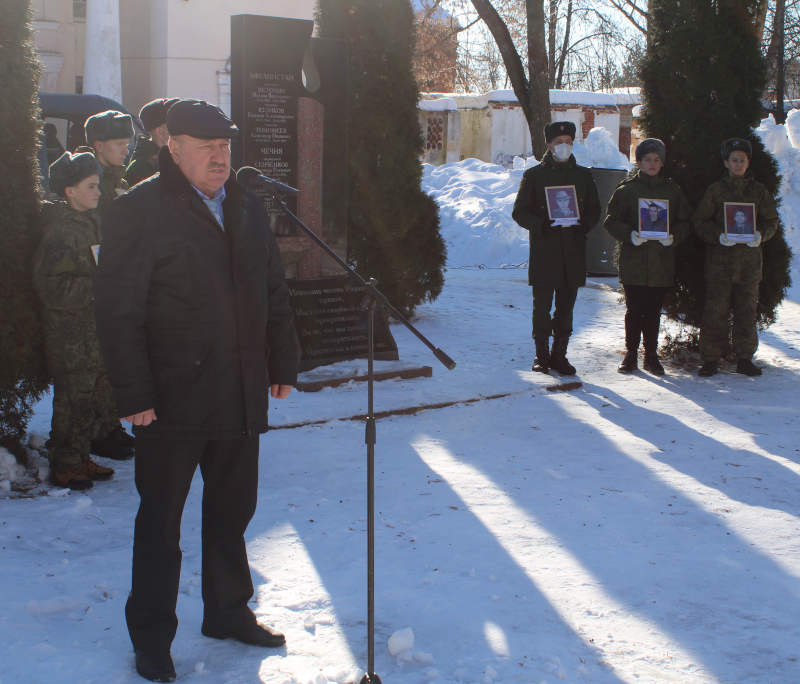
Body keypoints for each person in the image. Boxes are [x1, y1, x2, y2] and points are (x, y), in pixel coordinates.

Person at [93, 99, 301, 683]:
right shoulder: (139, 211)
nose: (220, 157)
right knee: (161, 522)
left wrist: (282, 360)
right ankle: (153, 636)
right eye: (207, 147)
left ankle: (228, 612)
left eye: (226, 146)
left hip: (238, 389)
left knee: (233, 512)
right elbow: (117, 310)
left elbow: (273, 291)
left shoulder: (247, 206)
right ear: (173, 148)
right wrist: (133, 391)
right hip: (170, 398)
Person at [32, 152, 134, 490]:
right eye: (91, 186)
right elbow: (53, 287)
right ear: (69, 191)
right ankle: (64, 462)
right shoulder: (62, 232)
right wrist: (100, 284)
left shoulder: (90, 221)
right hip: (71, 338)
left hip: (93, 333)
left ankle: (80, 457)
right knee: (73, 401)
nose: (98, 191)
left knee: (92, 397)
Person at [512, 120, 601, 375]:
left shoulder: (583, 176)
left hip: (572, 251)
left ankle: (559, 355)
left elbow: (595, 208)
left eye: (569, 142)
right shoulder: (534, 176)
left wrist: (585, 224)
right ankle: (541, 355)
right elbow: (519, 212)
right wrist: (541, 226)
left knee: (566, 308)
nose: (564, 146)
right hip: (544, 251)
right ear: (549, 145)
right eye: (559, 142)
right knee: (541, 308)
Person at [604, 138, 693, 374]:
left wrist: (673, 236)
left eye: (656, 160)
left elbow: (687, 221)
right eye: (647, 160)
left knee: (653, 312)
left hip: (661, 263)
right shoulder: (627, 190)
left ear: (662, 163)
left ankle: (651, 355)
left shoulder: (672, 192)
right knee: (634, 311)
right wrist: (630, 234)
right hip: (633, 262)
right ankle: (631, 354)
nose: (652, 164)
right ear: (639, 162)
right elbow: (611, 220)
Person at [693, 137, 779, 377]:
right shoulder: (716, 191)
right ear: (726, 162)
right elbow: (700, 222)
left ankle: (744, 358)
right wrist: (718, 235)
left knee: (746, 313)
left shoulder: (758, 191)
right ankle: (710, 359)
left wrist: (761, 234)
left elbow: (771, 221)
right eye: (734, 160)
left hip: (749, 266)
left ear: (748, 162)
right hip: (720, 264)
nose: (738, 164)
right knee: (715, 313)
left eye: (742, 160)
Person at [82, 110, 133, 217]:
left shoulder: (121, 183)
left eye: (127, 145)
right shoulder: (87, 185)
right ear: (99, 146)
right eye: (119, 144)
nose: (126, 151)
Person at [125, 98, 179, 187]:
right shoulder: (143, 167)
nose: (178, 130)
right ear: (159, 132)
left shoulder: (171, 158)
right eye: (172, 126)